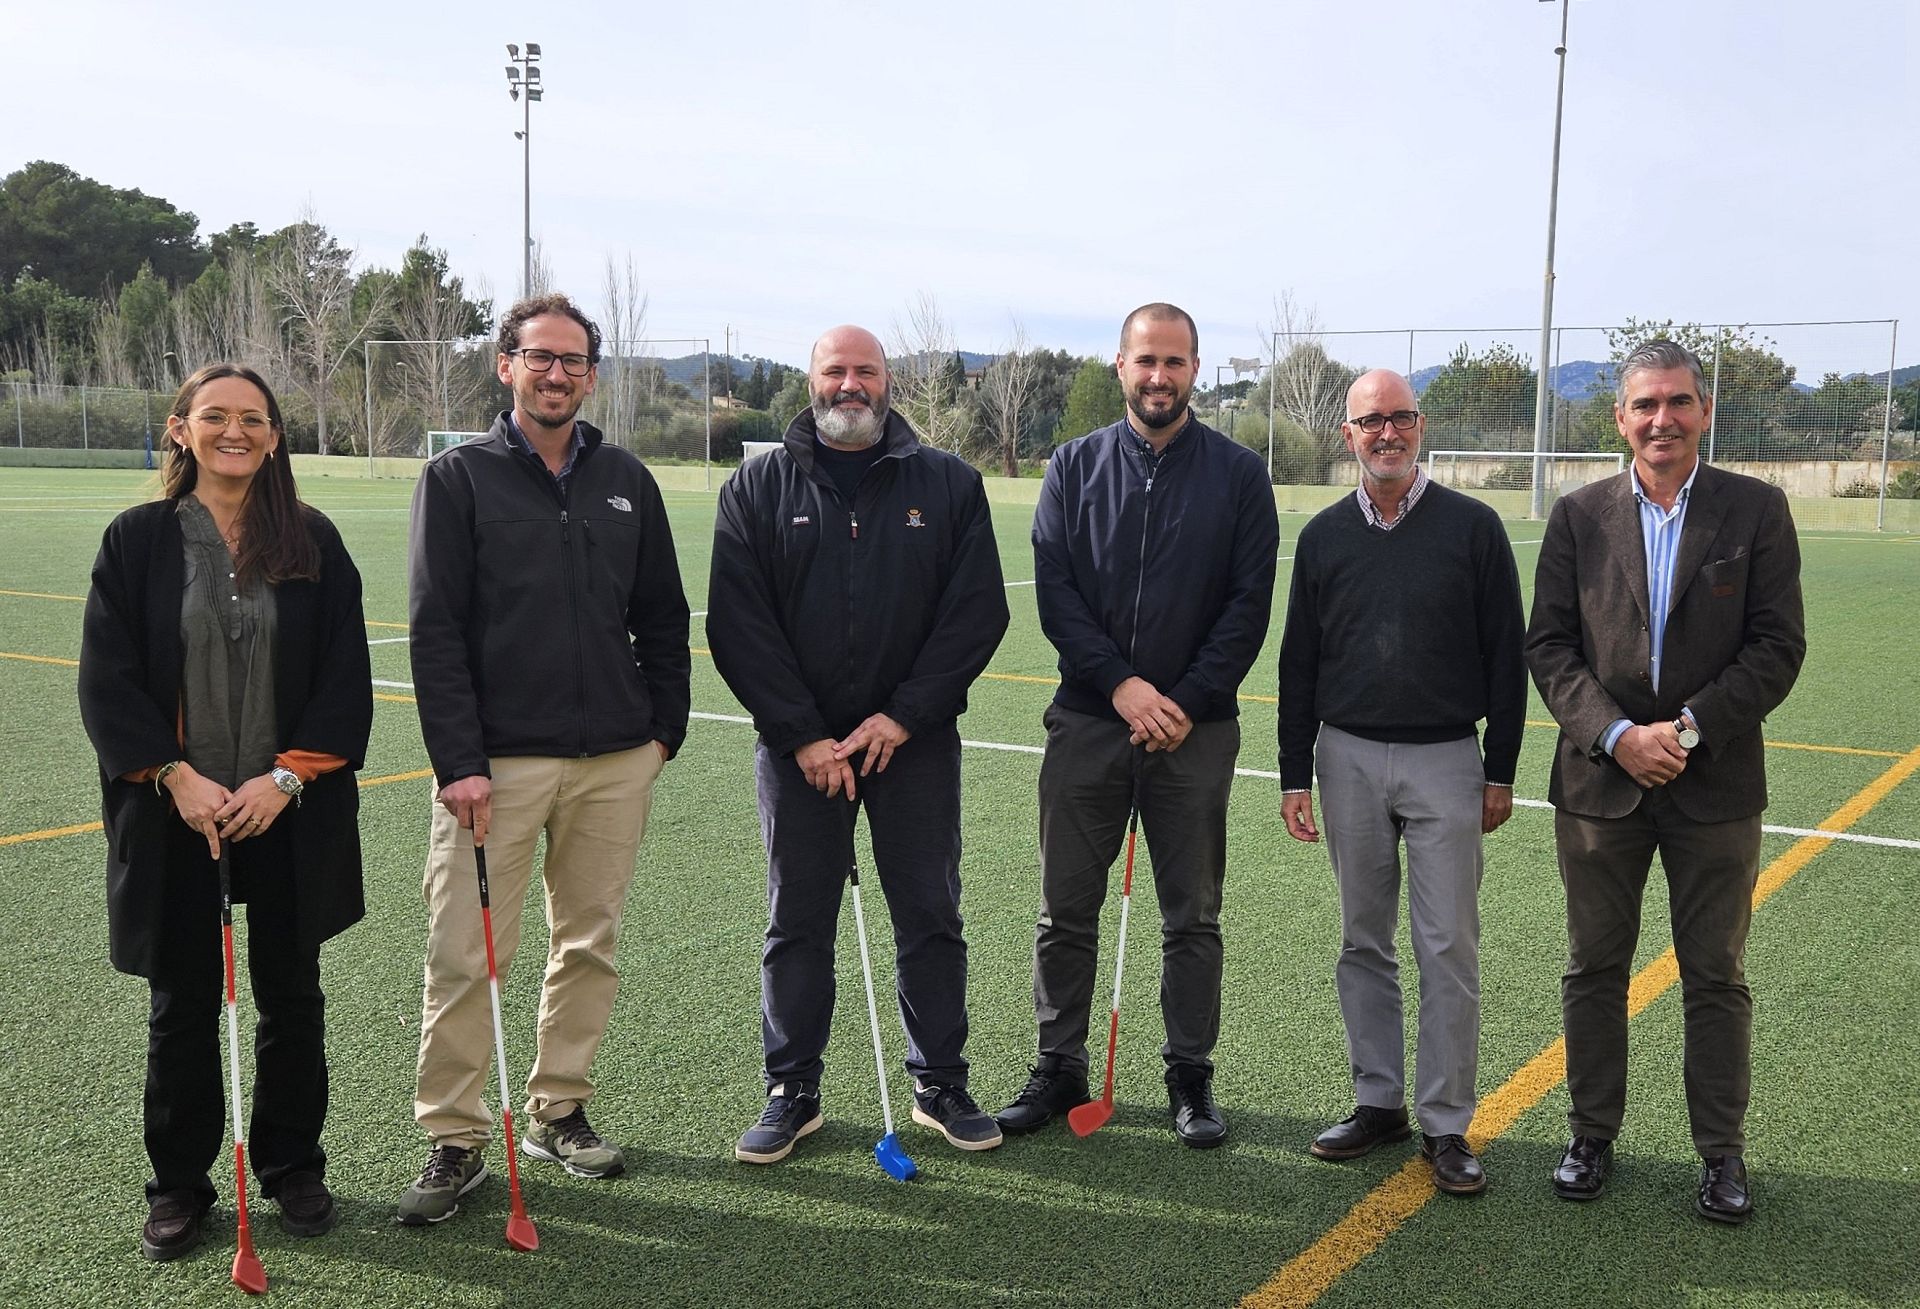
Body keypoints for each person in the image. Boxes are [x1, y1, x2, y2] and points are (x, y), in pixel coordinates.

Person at [399, 293, 691, 1224]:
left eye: (572, 360)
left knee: (589, 943)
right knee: (466, 952)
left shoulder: (627, 479)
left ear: (592, 375)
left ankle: (558, 1108)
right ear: (507, 365)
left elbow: (664, 616)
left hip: (614, 761)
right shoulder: (458, 477)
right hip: (495, 768)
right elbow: (434, 629)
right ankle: (455, 1137)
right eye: (539, 357)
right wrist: (459, 759)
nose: (556, 373)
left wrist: (662, 732)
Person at [78, 363, 373, 1260]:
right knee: (183, 1003)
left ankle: (292, 1164)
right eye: (215, 416)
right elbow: (107, 679)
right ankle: (178, 1184)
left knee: (292, 994)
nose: (234, 431)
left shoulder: (312, 540)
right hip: (179, 811)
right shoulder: (137, 540)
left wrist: (286, 779)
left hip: (287, 807)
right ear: (181, 429)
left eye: (253, 418)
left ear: (275, 437)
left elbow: (344, 677)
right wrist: (175, 776)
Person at [708, 324, 1010, 1164]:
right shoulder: (757, 486)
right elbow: (739, 623)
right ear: (810, 381)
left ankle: (940, 1081)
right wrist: (804, 734)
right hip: (800, 754)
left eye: (865, 371)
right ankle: (792, 1089)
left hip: (912, 745)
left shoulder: (947, 483)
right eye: (835, 370)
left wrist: (902, 716)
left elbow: (976, 613)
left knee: (930, 913)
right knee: (797, 919)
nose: (851, 384)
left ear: (888, 383)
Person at [1525, 338, 1805, 1223]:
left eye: (1679, 401)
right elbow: (1549, 647)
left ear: (1704, 411)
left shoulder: (1756, 510)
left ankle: (1721, 1153)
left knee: (1714, 973)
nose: (1662, 419)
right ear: (1620, 418)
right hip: (1599, 785)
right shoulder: (1578, 515)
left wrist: (1681, 732)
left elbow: (1777, 646)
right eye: (1645, 404)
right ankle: (1590, 1135)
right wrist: (1617, 736)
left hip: (1712, 781)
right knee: (1594, 967)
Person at [1000, 303, 1278, 1147]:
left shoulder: (1239, 475)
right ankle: (1059, 1066)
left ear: (1196, 370)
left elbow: (1247, 606)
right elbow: (1058, 596)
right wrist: (1121, 687)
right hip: (1089, 721)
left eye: (1176, 361)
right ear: (1120, 365)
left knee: (1192, 916)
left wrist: (1183, 701)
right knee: (1064, 911)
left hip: (1196, 732)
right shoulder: (1072, 466)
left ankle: (1190, 1075)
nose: (1160, 375)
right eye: (1146, 359)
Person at [1276, 368, 1525, 1194]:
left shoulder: (1474, 527)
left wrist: (1500, 769)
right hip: (1345, 757)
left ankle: (1446, 1123)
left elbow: (1507, 655)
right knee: (1363, 939)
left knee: (1448, 944)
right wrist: (1293, 772)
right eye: (1371, 420)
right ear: (1347, 434)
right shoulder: (1322, 537)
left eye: (1402, 417)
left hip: (1446, 758)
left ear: (1421, 426)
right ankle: (1377, 1100)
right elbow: (1299, 662)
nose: (1388, 432)